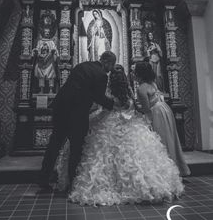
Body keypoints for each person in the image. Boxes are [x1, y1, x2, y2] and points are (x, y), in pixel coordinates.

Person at [60, 64, 184, 205]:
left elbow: (101, 105)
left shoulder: (107, 91)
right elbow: (134, 107)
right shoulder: (129, 91)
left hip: (109, 122)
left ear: (110, 80)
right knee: (136, 155)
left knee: (101, 154)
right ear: (124, 79)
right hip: (130, 123)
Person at [38, 51, 117, 192]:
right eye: (112, 65)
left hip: (60, 109)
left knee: (54, 144)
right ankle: (72, 183)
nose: (111, 69)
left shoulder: (82, 66)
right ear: (107, 62)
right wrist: (114, 105)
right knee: (76, 148)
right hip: (77, 114)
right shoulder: (101, 75)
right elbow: (99, 98)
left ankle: (43, 179)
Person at [134, 61, 190, 177]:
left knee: (161, 140)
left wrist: (134, 105)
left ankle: (166, 171)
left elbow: (146, 109)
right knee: (169, 137)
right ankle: (175, 168)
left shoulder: (141, 89)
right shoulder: (152, 83)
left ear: (138, 73)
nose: (132, 73)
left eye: (134, 71)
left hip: (156, 113)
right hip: (164, 109)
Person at [33, 27, 59, 94]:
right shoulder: (40, 42)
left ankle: (51, 90)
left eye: (48, 32)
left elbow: (55, 50)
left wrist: (54, 52)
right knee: (41, 76)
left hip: (49, 62)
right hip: (41, 61)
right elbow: (37, 50)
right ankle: (41, 90)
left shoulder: (51, 42)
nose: (47, 33)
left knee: (51, 75)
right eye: (45, 32)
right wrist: (37, 53)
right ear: (43, 33)